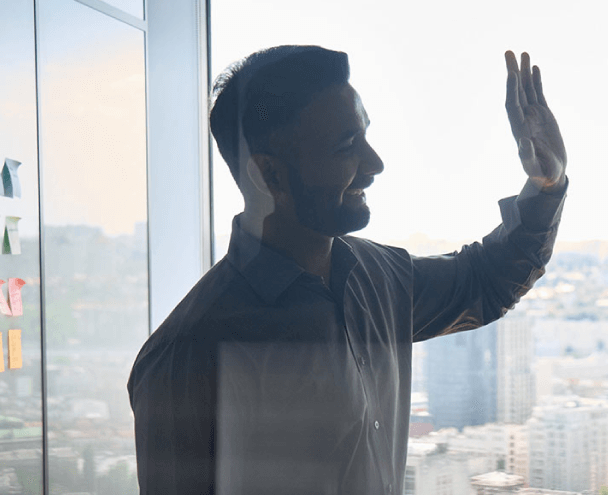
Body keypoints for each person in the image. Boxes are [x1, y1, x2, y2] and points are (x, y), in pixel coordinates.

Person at [128, 46, 568, 494]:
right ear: (269, 175)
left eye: (365, 137)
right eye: (346, 147)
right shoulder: (189, 351)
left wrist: (546, 185)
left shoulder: (382, 278)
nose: (375, 164)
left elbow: (486, 282)